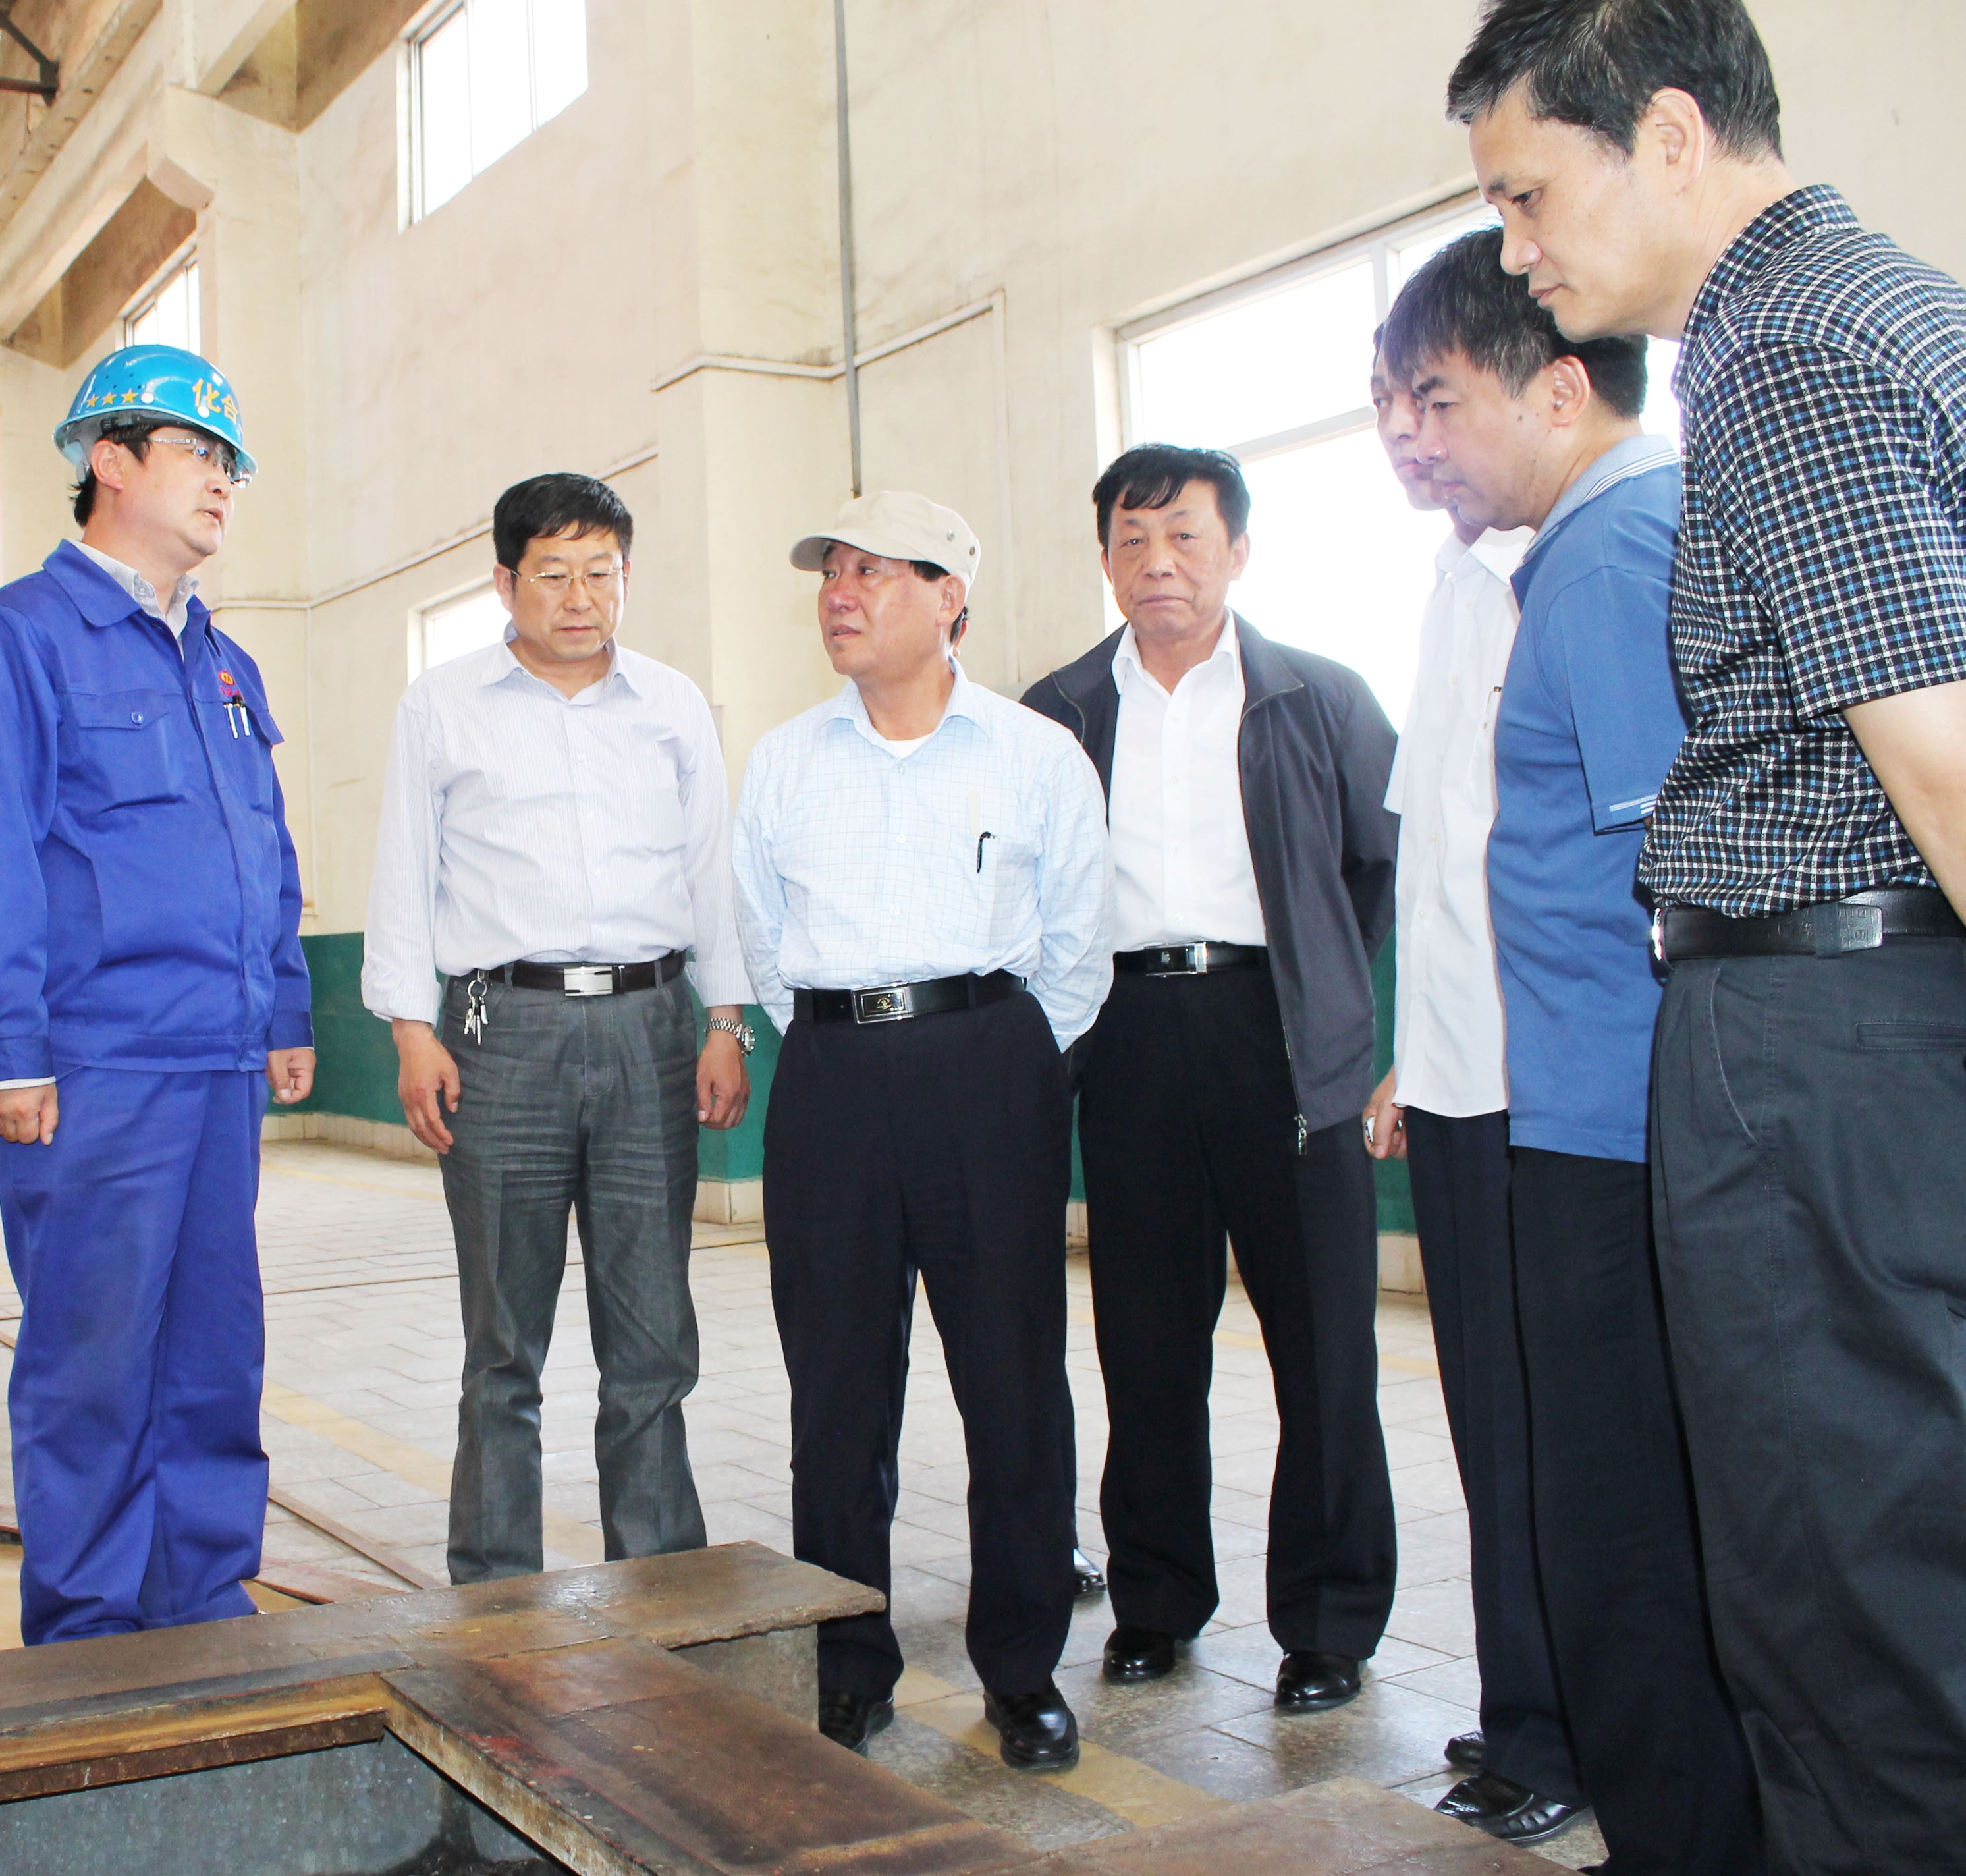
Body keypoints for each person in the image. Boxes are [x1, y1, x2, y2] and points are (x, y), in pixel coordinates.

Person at [1451, 5, 1966, 1866]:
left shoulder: (1790, 351)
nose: (1519, 252)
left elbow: (1941, 758)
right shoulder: (1896, 305)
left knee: (1848, 1614)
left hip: (1826, 1044)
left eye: (1529, 194)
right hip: (1871, 1022)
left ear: (1669, 137)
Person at [1392, 228, 1761, 1866]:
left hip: (1620, 1130)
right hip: (1590, 1114)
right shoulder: (1579, 553)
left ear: (1554, 391)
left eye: (1439, 400)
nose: (1417, 439)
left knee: (1627, 1530)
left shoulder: (1611, 557)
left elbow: (1681, 873)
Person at [0, 345, 313, 1643]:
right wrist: (8, 1049)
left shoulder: (224, 663)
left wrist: (286, 1003)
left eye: (231, 464)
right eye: (199, 453)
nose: (223, 482)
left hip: (217, 1060)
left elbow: (265, 841)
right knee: (93, 1361)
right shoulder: (17, 641)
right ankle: (89, 1629)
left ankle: (200, 1592)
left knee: (214, 1348)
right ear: (109, 459)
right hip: (96, 1069)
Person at [735, 491, 1110, 1770]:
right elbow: (764, 943)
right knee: (837, 1392)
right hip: (832, 1076)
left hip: (988, 1069)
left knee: (1013, 1381)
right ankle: (847, 1663)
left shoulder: (1034, 756)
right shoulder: (786, 761)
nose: (840, 594)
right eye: (829, 572)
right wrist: (847, 1035)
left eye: (873, 572)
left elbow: (1080, 945)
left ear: (951, 596)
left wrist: (1009, 1061)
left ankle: (1024, 1670)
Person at [1024, 447, 1397, 1715]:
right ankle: (1157, 1598)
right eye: (1132, 541)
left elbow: (1375, 866)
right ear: (1105, 561)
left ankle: (1329, 1621)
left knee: (1324, 1341)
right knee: (1145, 1337)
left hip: (1277, 1033)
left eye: (1185, 537)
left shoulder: (1319, 698)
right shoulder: (1062, 711)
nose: (1159, 564)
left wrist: (1323, 998)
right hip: (1127, 1034)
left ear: (1238, 550)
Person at [362, 472, 750, 1586]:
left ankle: (661, 1580)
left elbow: (710, 868)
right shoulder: (442, 706)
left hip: (651, 1030)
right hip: (503, 1036)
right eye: (553, 575)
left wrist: (726, 1020)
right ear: (505, 583)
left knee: (653, 1337)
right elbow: (405, 870)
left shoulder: (672, 703)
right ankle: (494, 1589)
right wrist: (410, 1030)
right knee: (504, 1346)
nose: (581, 599)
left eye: (601, 573)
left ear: (626, 577)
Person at [1357, 341, 1576, 1829]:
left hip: (1542, 1094)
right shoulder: (1453, 581)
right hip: (1456, 1082)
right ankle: (1523, 1713)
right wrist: (1409, 1052)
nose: (1406, 436)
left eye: (1431, 402)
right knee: (1493, 1427)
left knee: (1559, 1431)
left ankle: (1564, 1739)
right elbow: (1441, 866)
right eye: (1388, 408)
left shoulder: (1572, 569)